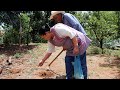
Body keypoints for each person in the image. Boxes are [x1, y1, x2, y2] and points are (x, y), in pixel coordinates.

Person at [50, 11, 88, 79]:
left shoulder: (67, 16)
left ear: (60, 14)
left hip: (80, 39)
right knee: (70, 59)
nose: (56, 20)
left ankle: (84, 77)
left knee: (81, 62)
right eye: (55, 19)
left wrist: (75, 44)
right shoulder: (62, 23)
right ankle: (73, 76)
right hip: (73, 41)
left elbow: (75, 26)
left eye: (56, 17)